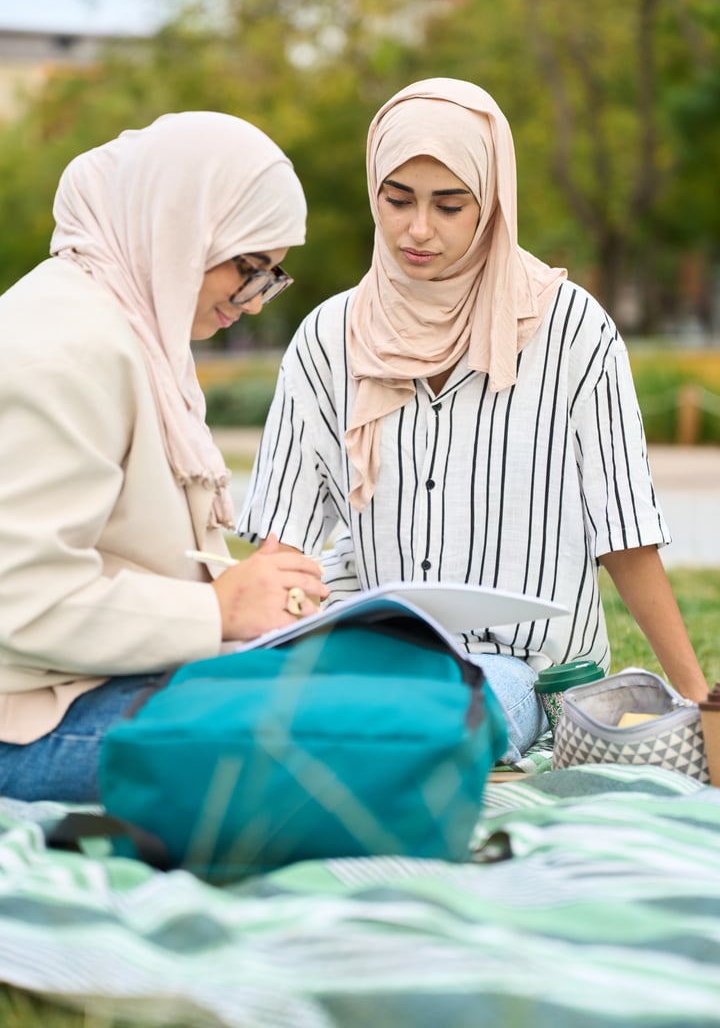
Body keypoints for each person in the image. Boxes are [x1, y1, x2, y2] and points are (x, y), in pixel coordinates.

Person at [237, 77, 708, 762]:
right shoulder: (327, 337)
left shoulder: (571, 329)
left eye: (449, 205)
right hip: (366, 650)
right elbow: (285, 546)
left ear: (490, 203)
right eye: (396, 200)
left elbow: (624, 531)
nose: (417, 229)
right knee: (259, 724)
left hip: (515, 671)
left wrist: (696, 700)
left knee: (433, 729)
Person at [0, 111, 328, 802]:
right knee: (347, 735)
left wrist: (250, 590)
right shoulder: (62, 348)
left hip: (95, 688)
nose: (252, 300)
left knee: (387, 689)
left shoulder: (134, 333)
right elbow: (18, 600)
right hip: (29, 724)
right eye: (248, 267)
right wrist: (220, 610)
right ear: (183, 224)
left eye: (271, 275)